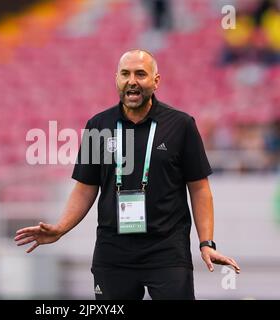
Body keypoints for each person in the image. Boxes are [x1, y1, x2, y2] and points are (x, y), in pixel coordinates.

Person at [14, 49, 241, 300]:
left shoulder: (181, 125)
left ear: (156, 81)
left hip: (167, 251)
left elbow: (199, 189)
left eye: (140, 74)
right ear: (117, 80)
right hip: (113, 253)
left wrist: (206, 243)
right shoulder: (98, 126)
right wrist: (60, 228)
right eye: (125, 74)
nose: (132, 80)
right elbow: (85, 187)